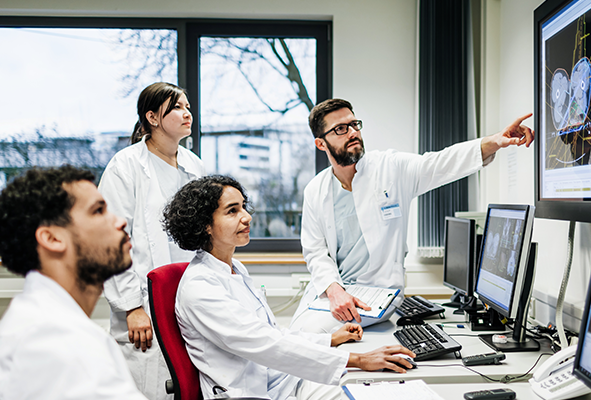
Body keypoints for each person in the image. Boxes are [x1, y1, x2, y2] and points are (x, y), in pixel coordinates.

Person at [291, 98, 534, 333]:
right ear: (321, 144)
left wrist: (495, 141)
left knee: (309, 334)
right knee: (294, 332)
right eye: (341, 129)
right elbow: (315, 251)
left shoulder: (390, 168)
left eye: (355, 125)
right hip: (334, 290)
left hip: (378, 293)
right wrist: (334, 289)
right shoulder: (315, 190)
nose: (353, 132)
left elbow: (441, 163)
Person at [162, 175, 415, 400]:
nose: (247, 217)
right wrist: (358, 360)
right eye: (232, 211)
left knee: (369, 387)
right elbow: (266, 344)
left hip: (278, 380)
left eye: (244, 207)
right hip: (248, 393)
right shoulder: (199, 288)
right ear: (205, 225)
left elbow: (272, 333)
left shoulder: (235, 268)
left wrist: (330, 339)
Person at [0, 166, 147, 400]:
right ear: (52, 238)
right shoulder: (53, 340)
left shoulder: (47, 322)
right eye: (98, 211)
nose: (120, 222)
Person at [99, 82, 205, 399]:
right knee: (146, 386)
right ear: (153, 117)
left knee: (188, 385)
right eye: (177, 107)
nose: (187, 113)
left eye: (187, 107)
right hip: (142, 303)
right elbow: (110, 240)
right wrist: (131, 307)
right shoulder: (125, 166)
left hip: (189, 299)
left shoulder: (194, 165)